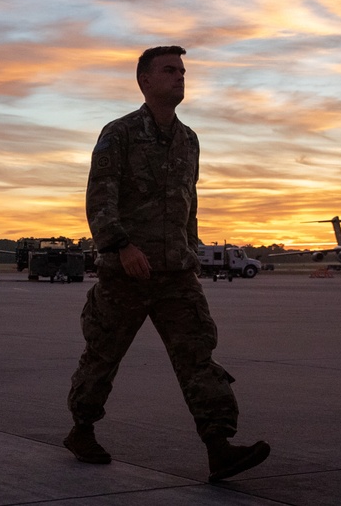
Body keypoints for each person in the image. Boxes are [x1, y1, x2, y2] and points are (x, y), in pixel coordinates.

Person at [64, 46, 270, 482]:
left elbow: (188, 202)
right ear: (144, 80)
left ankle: (219, 447)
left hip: (176, 273)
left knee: (199, 356)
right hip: (127, 274)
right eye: (170, 71)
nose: (180, 78)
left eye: (182, 71)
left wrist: (190, 250)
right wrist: (121, 247)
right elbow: (100, 197)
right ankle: (82, 429)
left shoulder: (188, 139)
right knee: (102, 356)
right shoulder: (118, 134)